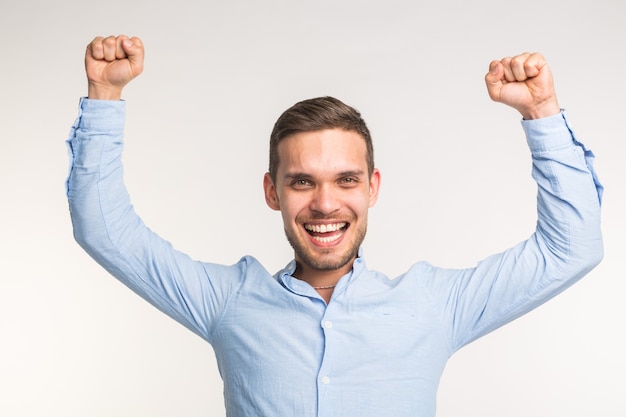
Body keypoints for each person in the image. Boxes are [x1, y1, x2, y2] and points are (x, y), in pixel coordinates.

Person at [66, 35, 603, 417]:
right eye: (302, 182)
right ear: (272, 192)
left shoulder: (434, 306)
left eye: (345, 180)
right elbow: (106, 231)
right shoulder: (226, 301)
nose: (325, 204)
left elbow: (571, 249)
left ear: (372, 187)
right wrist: (104, 98)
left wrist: (543, 114)